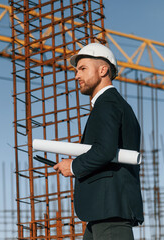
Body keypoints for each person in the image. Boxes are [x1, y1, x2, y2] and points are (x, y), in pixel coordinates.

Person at [53, 42, 144, 240]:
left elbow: (105, 150)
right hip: (102, 212)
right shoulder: (113, 104)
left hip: (110, 211)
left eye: (83, 68)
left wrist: (74, 166)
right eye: (77, 70)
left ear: (103, 70)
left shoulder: (108, 104)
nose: (77, 75)